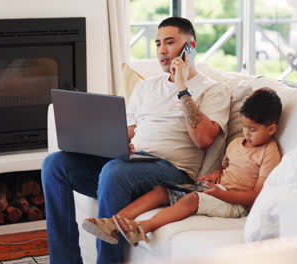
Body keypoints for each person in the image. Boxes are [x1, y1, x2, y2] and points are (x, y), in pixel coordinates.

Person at [41, 17, 230, 264]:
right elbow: (128, 133)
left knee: (115, 171)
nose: (162, 50)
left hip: (173, 172)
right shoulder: (146, 87)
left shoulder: (214, 90)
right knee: (55, 164)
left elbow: (204, 139)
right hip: (132, 164)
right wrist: (105, 143)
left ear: (190, 48)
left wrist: (182, 87)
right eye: (158, 43)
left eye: (170, 43)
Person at [82, 87, 283, 246]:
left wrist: (221, 194)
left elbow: (257, 195)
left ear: (272, 128)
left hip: (235, 203)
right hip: (216, 190)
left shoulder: (269, 153)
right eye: (244, 126)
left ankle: (143, 228)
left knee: (191, 200)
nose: (246, 133)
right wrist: (215, 175)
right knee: (162, 191)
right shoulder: (236, 144)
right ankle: (112, 222)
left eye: (253, 129)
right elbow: (224, 169)